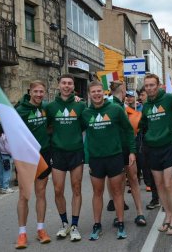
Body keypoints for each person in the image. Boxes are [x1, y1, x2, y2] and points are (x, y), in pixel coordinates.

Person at [81, 81, 136, 241]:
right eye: (93, 92)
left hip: (115, 156)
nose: (97, 94)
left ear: (103, 93)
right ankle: (97, 225)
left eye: (99, 91)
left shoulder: (115, 109)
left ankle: (120, 223)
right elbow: (75, 129)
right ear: (89, 95)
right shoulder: (85, 113)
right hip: (96, 159)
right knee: (97, 193)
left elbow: (127, 129)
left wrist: (132, 151)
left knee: (117, 192)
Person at [46, 74, 86, 242]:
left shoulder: (81, 105)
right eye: (64, 83)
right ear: (59, 85)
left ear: (73, 86)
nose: (67, 86)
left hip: (76, 152)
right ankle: (64, 224)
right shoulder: (50, 107)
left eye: (70, 83)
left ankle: (75, 225)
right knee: (58, 190)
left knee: (76, 188)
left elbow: (84, 126)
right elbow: (47, 127)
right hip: (58, 153)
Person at [140, 74, 172, 235]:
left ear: (159, 85)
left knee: (169, 184)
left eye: (152, 85)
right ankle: (168, 216)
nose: (149, 88)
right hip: (152, 149)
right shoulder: (146, 106)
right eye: (147, 86)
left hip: (169, 146)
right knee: (159, 186)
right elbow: (144, 124)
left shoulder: (169, 99)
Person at [15, 80, 52, 248]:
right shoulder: (20, 111)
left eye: (41, 92)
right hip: (25, 157)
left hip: (43, 155)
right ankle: (22, 233)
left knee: (41, 193)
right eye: (36, 91)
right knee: (24, 195)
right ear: (30, 92)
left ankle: (40, 230)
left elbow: (52, 125)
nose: (39, 94)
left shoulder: (46, 108)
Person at [108, 81, 145, 227]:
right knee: (131, 180)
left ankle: (129, 215)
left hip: (122, 149)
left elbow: (129, 130)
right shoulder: (115, 107)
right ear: (122, 91)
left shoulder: (122, 107)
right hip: (122, 149)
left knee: (126, 182)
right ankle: (138, 214)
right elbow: (131, 130)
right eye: (125, 91)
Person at [138, 86, 160, 209]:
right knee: (149, 172)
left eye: (143, 94)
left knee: (160, 174)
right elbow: (141, 126)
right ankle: (155, 198)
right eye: (140, 95)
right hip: (145, 144)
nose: (141, 97)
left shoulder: (156, 106)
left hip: (159, 145)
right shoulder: (143, 108)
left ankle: (165, 200)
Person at [0, 123, 14, 194]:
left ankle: (1, 186)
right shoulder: (5, 136)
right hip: (6, 155)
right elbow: (8, 148)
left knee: (1, 171)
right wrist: (12, 153)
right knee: (7, 171)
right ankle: (5, 187)